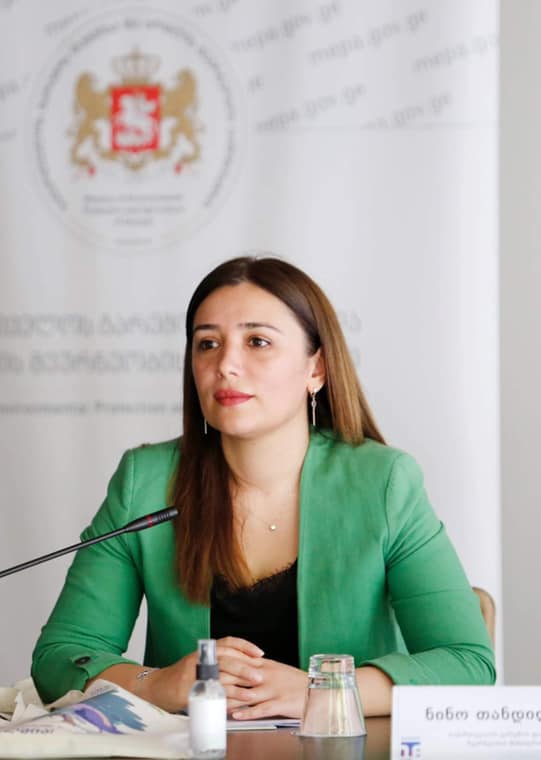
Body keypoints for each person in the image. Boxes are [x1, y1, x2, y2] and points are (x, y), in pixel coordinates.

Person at [32, 256, 495, 718]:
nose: (226, 365)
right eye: (208, 344)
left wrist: (322, 690)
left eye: (257, 342)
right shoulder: (145, 482)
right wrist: (157, 683)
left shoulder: (384, 483)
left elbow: (467, 663)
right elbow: (60, 656)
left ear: (316, 369)